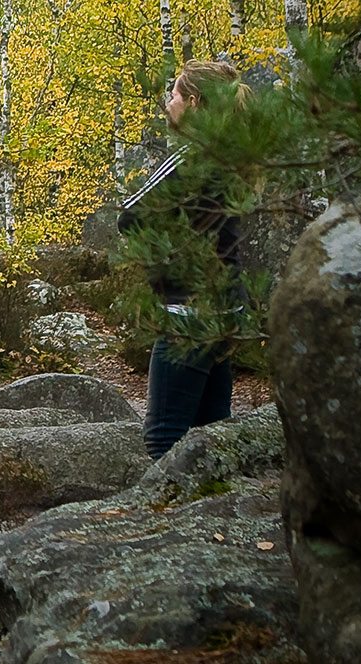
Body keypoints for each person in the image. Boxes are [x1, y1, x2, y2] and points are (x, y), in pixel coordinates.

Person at [117, 60, 252, 459]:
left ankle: (166, 521)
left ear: (193, 102)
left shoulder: (189, 158)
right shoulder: (229, 159)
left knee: (164, 439)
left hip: (186, 317)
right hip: (227, 311)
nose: (168, 104)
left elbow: (131, 214)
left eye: (174, 95)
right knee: (212, 436)